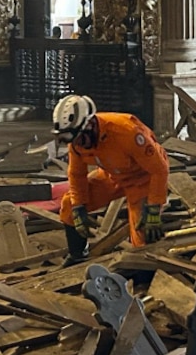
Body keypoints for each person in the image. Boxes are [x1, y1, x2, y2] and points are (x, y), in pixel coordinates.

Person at [53, 95, 169, 263]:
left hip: (143, 177)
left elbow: (159, 169)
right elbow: (77, 175)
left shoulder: (127, 131)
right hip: (113, 174)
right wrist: (79, 207)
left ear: (91, 125)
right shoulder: (77, 141)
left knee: (142, 231)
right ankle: (77, 256)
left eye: (78, 139)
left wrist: (153, 209)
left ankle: (145, 270)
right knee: (69, 205)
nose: (76, 144)